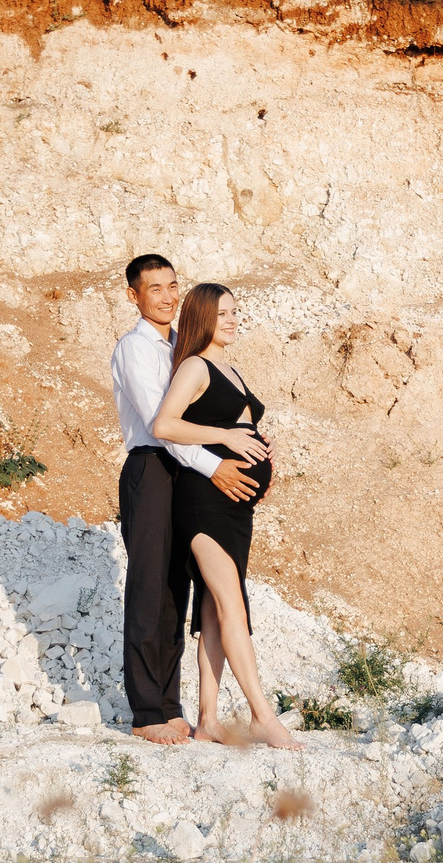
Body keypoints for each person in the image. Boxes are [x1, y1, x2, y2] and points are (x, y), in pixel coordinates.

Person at [108, 255, 260, 745]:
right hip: (153, 468)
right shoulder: (135, 348)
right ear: (135, 296)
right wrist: (216, 466)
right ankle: (147, 711)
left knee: (178, 589)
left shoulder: (184, 346)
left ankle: (171, 705)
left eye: (173, 286)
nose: (168, 296)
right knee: (150, 586)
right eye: (155, 289)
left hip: (183, 474)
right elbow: (163, 425)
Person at [153, 283, 302, 750]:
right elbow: (165, 425)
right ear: (202, 318)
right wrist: (230, 437)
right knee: (232, 606)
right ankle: (262, 716)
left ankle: (209, 719)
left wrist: (260, 449)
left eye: (237, 312)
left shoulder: (229, 368)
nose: (234, 320)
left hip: (237, 506)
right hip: (205, 503)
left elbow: (239, 431)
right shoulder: (195, 365)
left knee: (216, 611)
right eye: (224, 314)